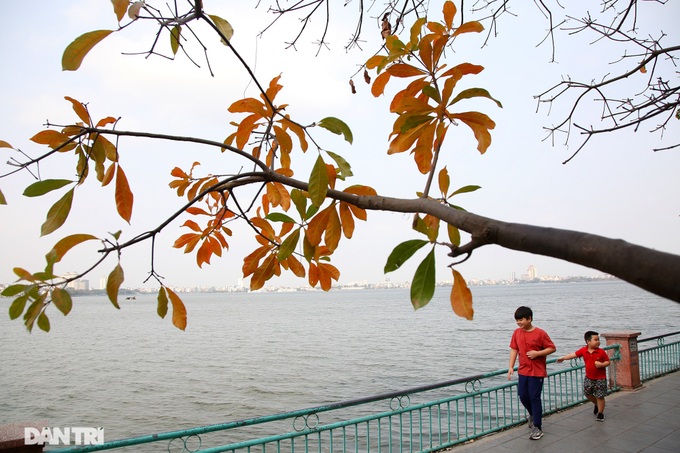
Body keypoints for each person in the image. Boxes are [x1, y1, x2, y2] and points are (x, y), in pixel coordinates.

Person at [508, 306, 556, 440]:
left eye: (521, 319)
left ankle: (537, 427)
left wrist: (538, 353)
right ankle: (533, 414)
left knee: (534, 398)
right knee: (523, 396)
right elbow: (514, 349)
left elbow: (552, 348)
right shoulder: (517, 333)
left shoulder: (540, 333)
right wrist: (511, 366)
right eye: (517, 320)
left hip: (537, 371)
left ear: (529, 318)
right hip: (523, 370)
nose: (519, 322)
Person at [556, 330, 611, 421]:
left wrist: (601, 365)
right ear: (588, 341)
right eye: (595, 340)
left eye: (598, 340)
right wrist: (563, 358)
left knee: (600, 396)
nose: (598, 342)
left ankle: (600, 413)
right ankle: (597, 404)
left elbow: (608, 362)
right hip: (589, 377)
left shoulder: (601, 352)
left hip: (600, 378)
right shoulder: (583, 350)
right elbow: (573, 355)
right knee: (587, 393)